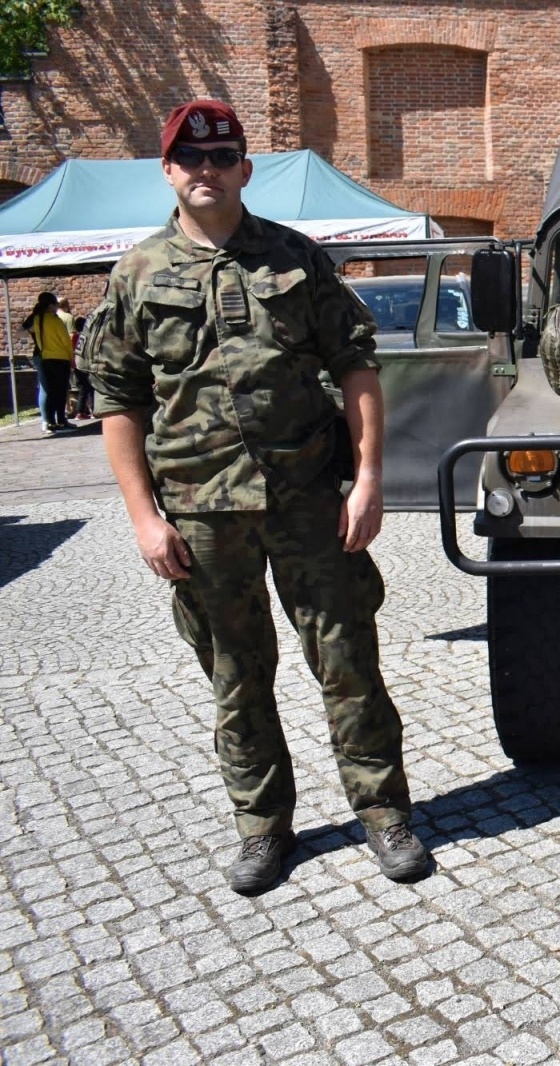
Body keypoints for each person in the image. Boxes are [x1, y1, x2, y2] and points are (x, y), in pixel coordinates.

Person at [82, 99, 430, 892]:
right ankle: (262, 828)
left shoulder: (298, 258)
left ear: (244, 168)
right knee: (238, 676)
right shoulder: (136, 274)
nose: (206, 170)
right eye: (189, 159)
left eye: (222, 157)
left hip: (308, 501)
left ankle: (383, 813)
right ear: (168, 172)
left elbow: (356, 367)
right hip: (201, 516)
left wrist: (368, 479)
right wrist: (143, 517)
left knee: (348, 663)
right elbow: (118, 401)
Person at [23, 292, 74, 431]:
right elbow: (66, 341)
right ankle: (61, 420)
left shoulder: (36, 319)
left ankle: (48, 421)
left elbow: (23, 329)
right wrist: (72, 357)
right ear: (51, 305)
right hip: (60, 358)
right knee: (61, 390)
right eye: (56, 304)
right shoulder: (55, 320)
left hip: (44, 358)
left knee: (47, 390)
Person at [70, 315, 93, 419]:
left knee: (83, 388)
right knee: (89, 388)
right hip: (85, 365)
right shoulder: (86, 336)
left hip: (76, 364)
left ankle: (82, 411)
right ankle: (90, 411)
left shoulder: (74, 337)